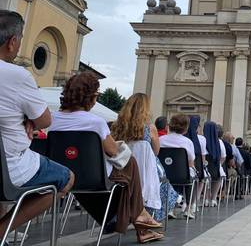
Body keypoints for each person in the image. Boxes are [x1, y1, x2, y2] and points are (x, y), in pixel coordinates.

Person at [49, 73, 163, 242]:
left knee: (125, 175)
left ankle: (138, 217)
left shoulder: (51, 119)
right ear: (91, 97)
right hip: (94, 178)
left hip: (61, 177)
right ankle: (140, 214)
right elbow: (113, 151)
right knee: (129, 163)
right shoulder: (96, 122)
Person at [0, 11, 74, 240]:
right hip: (9, 167)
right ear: (12, 42)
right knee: (65, 178)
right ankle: (2, 231)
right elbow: (45, 120)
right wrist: (28, 117)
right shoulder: (17, 75)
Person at [112, 93, 180, 222]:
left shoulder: (117, 127)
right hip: (146, 174)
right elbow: (155, 152)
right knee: (164, 183)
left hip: (122, 173)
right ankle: (149, 217)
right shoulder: (150, 128)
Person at [159, 114, 196, 218]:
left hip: (164, 174)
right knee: (190, 176)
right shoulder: (188, 142)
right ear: (186, 128)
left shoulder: (161, 140)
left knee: (174, 175)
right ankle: (188, 209)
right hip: (182, 175)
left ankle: (171, 208)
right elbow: (190, 162)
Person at [184, 115, 207, 215]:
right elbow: (201, 158)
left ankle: (183, 202)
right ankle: (193, 203)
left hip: (173, 173)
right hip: (192, 169)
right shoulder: (200, 140)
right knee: (197, 177)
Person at [204, 121, 225, 207]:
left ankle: (206, 198)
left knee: (205, 178)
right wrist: (218, 164)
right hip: (215, 166)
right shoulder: (219, 142)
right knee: (219, 175)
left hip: (204, 167)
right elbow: (223, 157)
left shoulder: (202, 140)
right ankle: (213, 198)